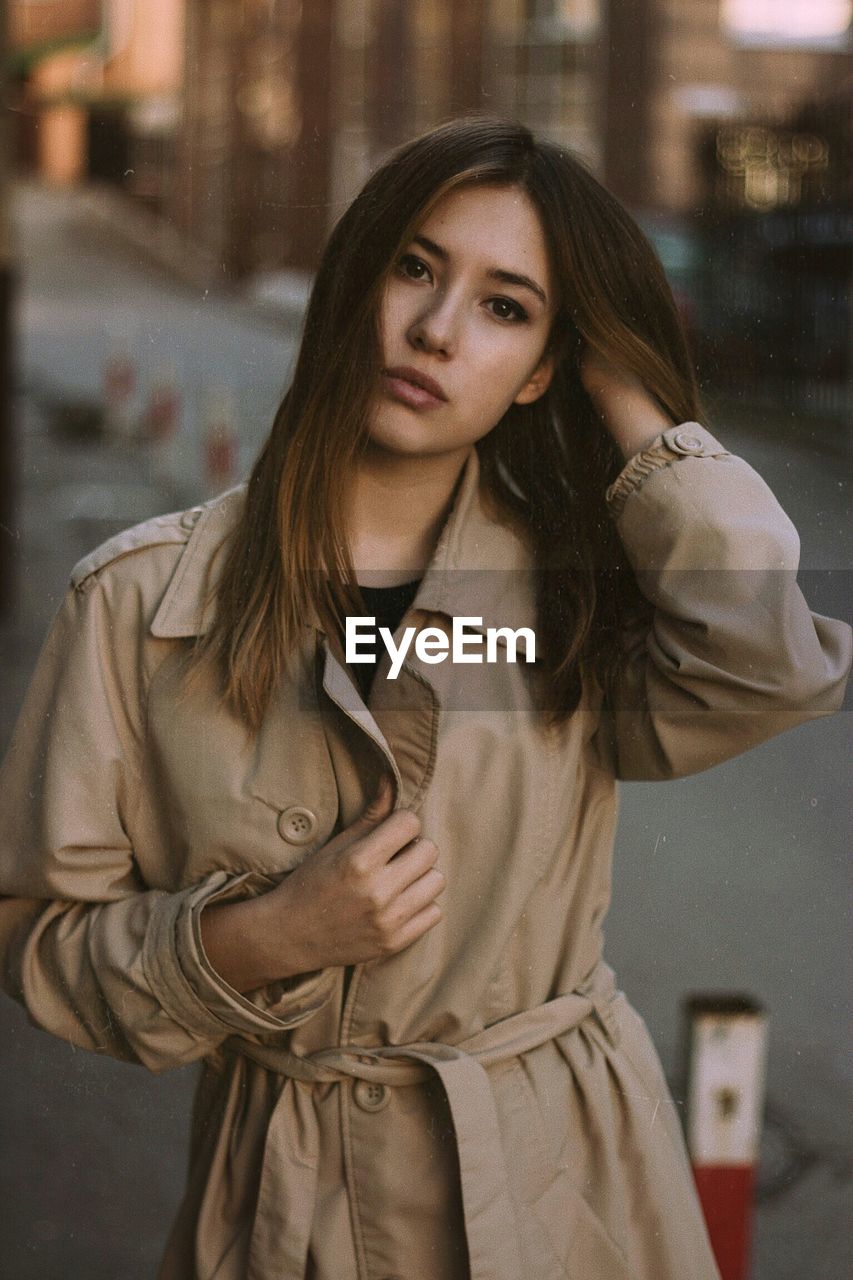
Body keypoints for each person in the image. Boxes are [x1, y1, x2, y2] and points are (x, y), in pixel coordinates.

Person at [0, 118, 849, 1280]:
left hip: (569, 1195)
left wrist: (635, 408)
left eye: (506, 308)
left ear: (545, 367)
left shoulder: (570, 601)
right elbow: (40, 940)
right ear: (356, 279)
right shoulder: (139, 603)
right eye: (413, 266)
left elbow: (769, 664)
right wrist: (260, 938)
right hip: (286, 1209)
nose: (437, 331)